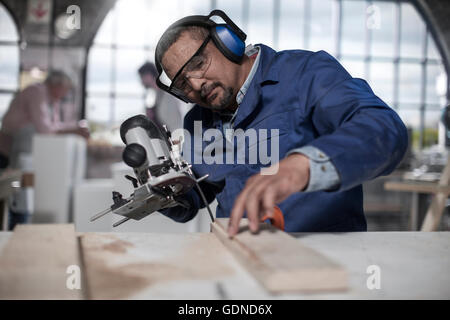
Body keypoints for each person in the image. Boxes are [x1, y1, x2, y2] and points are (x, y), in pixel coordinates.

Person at [154, 10, 408, 235]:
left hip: (324, 258)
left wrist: (306, 165)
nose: (196, 85)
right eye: (183, 84)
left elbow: (384, 129)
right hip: (241, 258)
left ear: (227, 42)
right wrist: (160, 192)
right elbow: (196, 196)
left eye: (199, 63)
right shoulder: (197, 120)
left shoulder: (306, 74)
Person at [0, 70, 89, 169]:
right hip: (9, 144)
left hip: (19, 144)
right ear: (57, 85)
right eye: (66, 89)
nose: (65, 93)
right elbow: (44, 129)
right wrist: (72, 130)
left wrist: (74, 128)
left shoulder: (53, 99)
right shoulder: (37, 92)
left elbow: (55, 125)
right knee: (18, 172)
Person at [138, 61, 183, 133]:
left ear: (148, 76)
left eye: (142, 77)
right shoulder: (157, 95)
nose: (141, 82)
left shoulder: (167, 95)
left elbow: (175, 124)